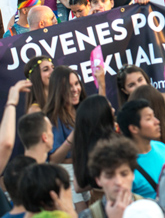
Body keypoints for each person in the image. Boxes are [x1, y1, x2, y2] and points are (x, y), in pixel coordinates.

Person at [44, 66, 90, 212]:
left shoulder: (81, 109)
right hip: (66, 175)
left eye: (76, 83)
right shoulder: (52, 117)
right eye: (68, 86)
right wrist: (72, 138)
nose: (75, 89)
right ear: (57, 89)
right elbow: (53, 159)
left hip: (84, 170)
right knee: (83, 213)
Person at [116, 99, 165, 200]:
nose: (157, 121)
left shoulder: (161, 147)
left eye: (154, 116)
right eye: (149, 119)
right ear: (134, 128)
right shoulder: (124, 167)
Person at [80, 137, 142, 218]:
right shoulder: (88, 216)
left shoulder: (150, 208)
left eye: (124, 174)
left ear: (133, 175)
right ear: (98, 180)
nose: (118, 182)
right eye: (109, 176)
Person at [72, 95, 116, 197]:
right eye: (110, 109)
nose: (114, 111)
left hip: (96, 202)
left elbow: (78, 187)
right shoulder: (114, 145)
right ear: (103, 116)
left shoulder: (81, 146)